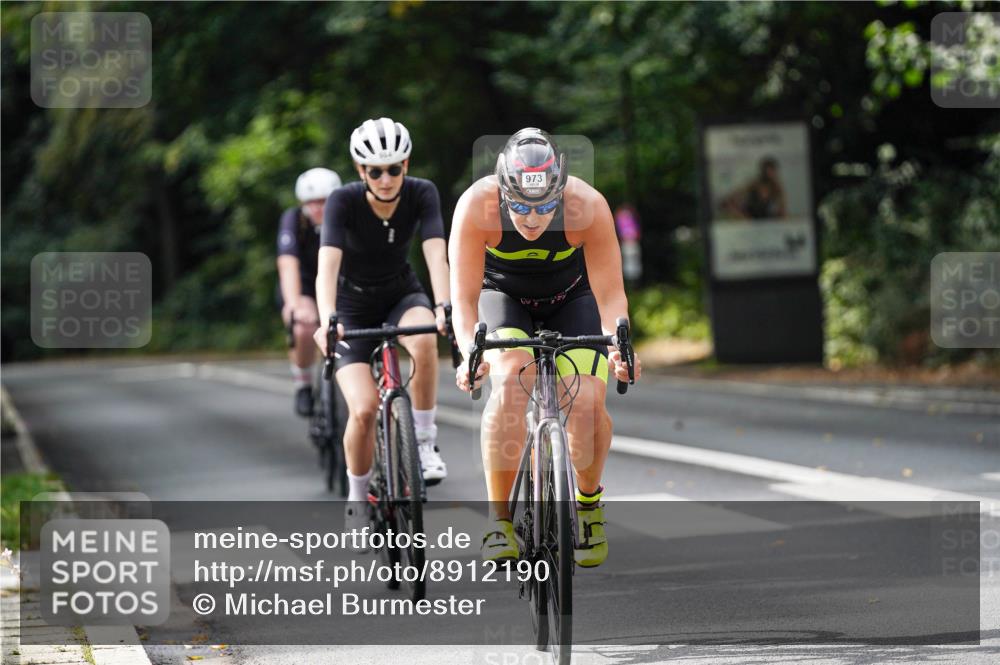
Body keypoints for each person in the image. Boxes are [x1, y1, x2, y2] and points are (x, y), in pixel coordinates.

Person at [449, 128, 642, 567]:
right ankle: (499, 522)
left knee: (590, 402)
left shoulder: (588, 206)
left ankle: (588, 505)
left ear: (560, 192)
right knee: (512, 384)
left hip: (572, 300)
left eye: (543, 206)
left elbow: (611, 296)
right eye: (519, 205)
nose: (532, 219)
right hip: (503, 300)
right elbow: (461, 299)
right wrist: (468, 354)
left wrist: (621, 347)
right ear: (501, 191)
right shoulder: (476, 206)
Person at [314, 117, 451, 536]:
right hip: (352, 309)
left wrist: (445, 306)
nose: (386, 178)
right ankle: (358, 498)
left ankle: (424, 441)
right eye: (376, 171)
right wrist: (326, 322)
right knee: (364, 408)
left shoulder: (422, 193)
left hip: (400, 296)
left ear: (406, 166)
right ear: (361, 172)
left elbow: (435, 253)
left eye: (394, 168)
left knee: (425, 339)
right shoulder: (342, 201)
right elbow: (326, 268)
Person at [277, 167, 342, 417]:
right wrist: (294, 305)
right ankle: (303, 383)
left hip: (339, 284)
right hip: (303, 286)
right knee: (302, 327)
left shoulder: (345, 217)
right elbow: (287, 263)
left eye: (324, 202)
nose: (317, 208)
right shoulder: (293, 219)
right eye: (311, 202)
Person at [719, 156, 787, 221]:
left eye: (772, 171)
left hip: (765, 219)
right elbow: (730, 198)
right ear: (762, 171)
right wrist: (742, 216)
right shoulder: (754, 184)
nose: (770, 174)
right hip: (750, 217)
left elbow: (782, 209)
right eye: (768, 171)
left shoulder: (776, 188)